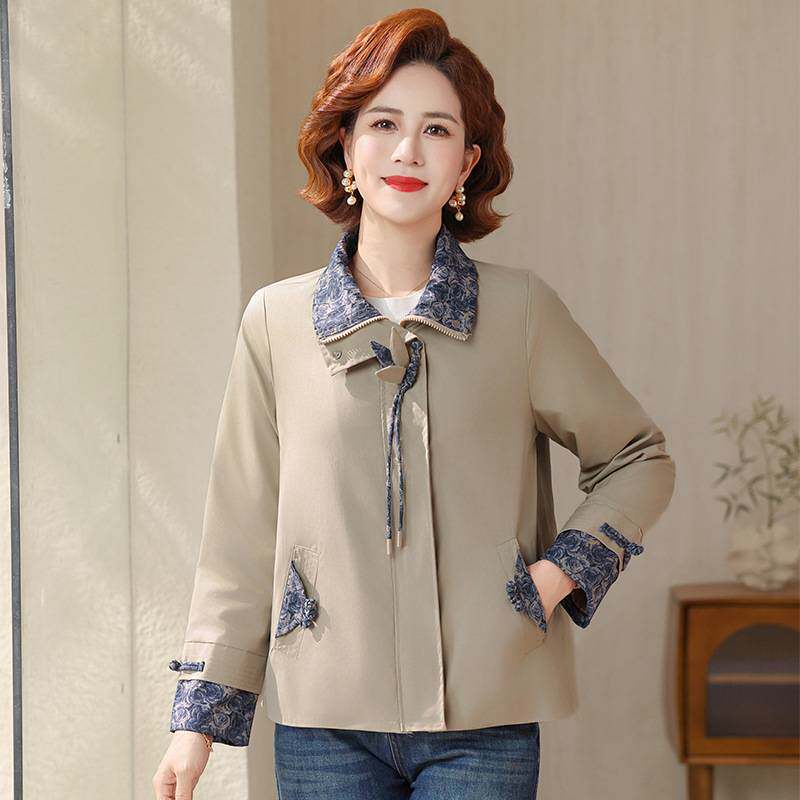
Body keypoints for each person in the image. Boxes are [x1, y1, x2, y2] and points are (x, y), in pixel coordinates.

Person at [153, 8, 676, 799]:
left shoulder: (521, 312)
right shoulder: (277, 322)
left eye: (437, 130)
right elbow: (241, 532)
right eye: (383, 123)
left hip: (485, 722)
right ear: (345, 147)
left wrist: (555, 575)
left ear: (466, 161)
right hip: (324, 724)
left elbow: (639, 457)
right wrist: (196, 723)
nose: (407, 150)